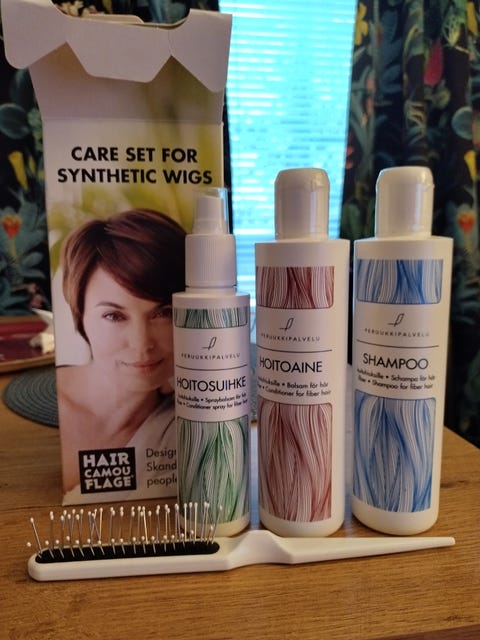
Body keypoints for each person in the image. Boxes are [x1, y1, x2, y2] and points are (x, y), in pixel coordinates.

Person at [56, 209, 186, 498]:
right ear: (80, 316)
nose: (141, 343)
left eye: (164, 313)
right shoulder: (51, 409)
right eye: (114, 316)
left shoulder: (185, 423)